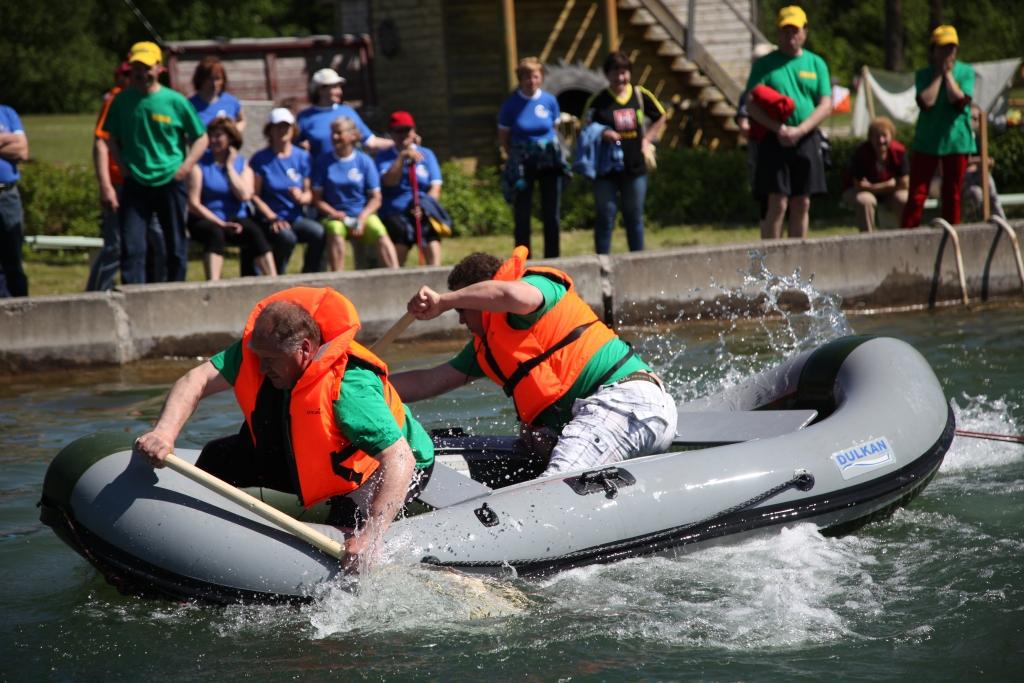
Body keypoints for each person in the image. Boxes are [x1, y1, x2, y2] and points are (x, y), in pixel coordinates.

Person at [133, 287, 435, 568]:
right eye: (259, 358)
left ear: (304, 349)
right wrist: (164, 432)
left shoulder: (349, 391)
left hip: (371, 470)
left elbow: (400, 459)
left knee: (347, 537)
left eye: (270, 361)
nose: (261, 369)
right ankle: (185, 541)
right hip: (304, 451)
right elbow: (194, 381)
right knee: (217, 457)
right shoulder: (258, 352)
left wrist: (370, 535)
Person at [391, 247, 678, 477]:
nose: (460, 317)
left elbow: (510, 294)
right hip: (600, 420)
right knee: (535, 445)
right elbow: (426, 381)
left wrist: (444, 301)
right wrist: (362, 384)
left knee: (553, 489)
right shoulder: (484, 349)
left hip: (628, 404)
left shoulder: (536, 288)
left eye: (463, 308)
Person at [102, 41, 209, 283]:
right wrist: (124, 167)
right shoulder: (121, 101)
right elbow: (111, 138)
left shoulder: (175, 101)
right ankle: (134, 296)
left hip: (170, 180)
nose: (141, 73)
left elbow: (201, 138)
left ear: (159, 68)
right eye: (137, 67)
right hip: (136, 183)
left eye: (147, 67)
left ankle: (175, 292)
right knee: (132, 246)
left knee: (175, 245)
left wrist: (185, 167)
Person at [744, 5, 832, 239]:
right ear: (778, 33)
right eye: (785, 30)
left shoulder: (816, 64)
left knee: (802, 202)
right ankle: (771, 262)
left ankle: (796, 261)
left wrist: (801, 129)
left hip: (806, 137)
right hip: (775, 138)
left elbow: (826, 103)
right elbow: (750, 103)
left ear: (804, 31)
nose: (790, 35)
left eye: (795, 30)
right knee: (777, 202)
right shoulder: (764, 65)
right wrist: (779, 129)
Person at [581, 51, 666, 254]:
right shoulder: (598, 100)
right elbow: (585, 128)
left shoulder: (640, 95)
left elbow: (661, 116)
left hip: (634, 165)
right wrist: (603, 132)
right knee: (605, 214)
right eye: (615, 73)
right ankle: (602, 261)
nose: (621, 78)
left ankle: (637, 260)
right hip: (605, 169)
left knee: (634, 215)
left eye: (625, 72)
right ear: (607, 75)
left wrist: (646, 140)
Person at [901, 25, 975, 228]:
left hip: (956, 142)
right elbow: (926, 102)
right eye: (943, 48)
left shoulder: (966, 72)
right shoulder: (923, 75)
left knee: (952, 193)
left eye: (951, 48)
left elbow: (959, 101)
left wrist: (949, 76)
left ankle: (952, 235)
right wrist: (938, 76)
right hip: (928, 141)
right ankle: (907, 236)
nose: (948, 53)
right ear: (933, 50)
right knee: (917, 193)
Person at [186, 118, 277, 280]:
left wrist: (229, 168)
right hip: (206, 218)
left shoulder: (242, 164)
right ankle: (213, 285)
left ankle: (273, 280)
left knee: (254, 231)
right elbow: (193, 203)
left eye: (218, 136)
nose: (213, 140)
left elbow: (244, 195)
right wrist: (220, 223)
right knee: (215, 233)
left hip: (235, 219)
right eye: (211, 136)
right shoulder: (199, 164)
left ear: (230, 139)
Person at [499, 57, 566, 259]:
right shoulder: (511, 105)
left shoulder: (549, 101)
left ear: (541, 77)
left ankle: (553, 257)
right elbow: (504, 138)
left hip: (548, 160)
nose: (531, 80)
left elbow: (553, 129)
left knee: (551, 211)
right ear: (520, 79)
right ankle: (522, 259)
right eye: (526, 76)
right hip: (522, 162)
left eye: (535, 76)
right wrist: (515, 157)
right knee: (522, 213)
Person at [312, 116, 399, 271]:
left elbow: (376, 198)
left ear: (353, 136)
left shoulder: (364, 161)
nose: (334, 137)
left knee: (379, 231)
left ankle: (396, 274)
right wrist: (334, 213)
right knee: (335, 230)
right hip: (335, 216)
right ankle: (338, 280)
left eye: (339, 133)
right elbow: (317, 199)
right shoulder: (323, 162)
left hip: (362, 214)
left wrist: (362, 218)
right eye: (333, 133)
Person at [249, 107, 326, 274]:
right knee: (286, 238)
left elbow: (309, 192)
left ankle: (311, 274)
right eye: (277, 127)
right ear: (270, 130)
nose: (282, 131)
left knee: (318, 232)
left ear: (293, 130)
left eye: (286, 127)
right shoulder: (260, 159)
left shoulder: (303, 157)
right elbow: (254, 195)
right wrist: (272, 217)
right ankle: (277, 276)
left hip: (295, 217)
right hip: (271, 218)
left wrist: (302, 197)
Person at [376, 111, 446, 266]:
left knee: (431, 234)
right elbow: (388, 181)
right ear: (391, 133)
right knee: (402, 233)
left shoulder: (427, 154)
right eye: (398, 131)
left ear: (414, 131)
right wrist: (401, 157)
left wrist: (424, 207)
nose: (403, 134)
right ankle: (396, 277)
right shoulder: (384, 156)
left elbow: (435, 187)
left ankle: (436, 276)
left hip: (421, 206)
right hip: (394, 210)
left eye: (406, 130)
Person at [296, 68, 392, 160]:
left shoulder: (348, 112)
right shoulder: (305, 117)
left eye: (340, 87)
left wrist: (397, 144)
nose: (340, 92)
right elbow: (293, 149)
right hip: (320, 174)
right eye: (335, 87)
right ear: (321, 89)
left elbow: (371, 141)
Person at [842, 116, 909, 232]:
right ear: (870, 138)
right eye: (876, 136)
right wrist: (887, 185)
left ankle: (907, 234)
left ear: (891, 136)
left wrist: (873, 187)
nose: (881, 140)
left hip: (889, 192)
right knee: (864, 200)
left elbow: (904, 184)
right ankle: (868, 239)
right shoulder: (862, 153)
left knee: (903, 198)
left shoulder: (899, 151)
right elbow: (859, 185)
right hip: (862, 192)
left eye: (884, 136)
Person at [0, 103, 29, 298]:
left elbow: (22, 150)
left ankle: (21, 311)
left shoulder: (7, 112)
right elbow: (15, 144)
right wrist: (7, 140)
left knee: (13, 258)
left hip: (8, 195)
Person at [960, 104, 1006, 221]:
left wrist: (986, 162)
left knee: (987, 180)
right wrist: (980, 161)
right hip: (961, 180)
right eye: (973, 118)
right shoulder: (960, 137)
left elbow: (984, 161)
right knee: (976, 193)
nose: (975, 122)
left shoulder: (978, 138)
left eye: (978, 119)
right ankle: (977, 225)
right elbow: (961, 163)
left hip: (976, 178)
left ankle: (1000, 219)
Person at [188, 55, 246, 132]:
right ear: (201, 79)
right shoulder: (190, 105)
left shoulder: (231, 101)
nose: (214, 84)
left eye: (218, 78)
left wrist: (233, 133)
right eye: (210, 79)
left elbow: (242, 120)